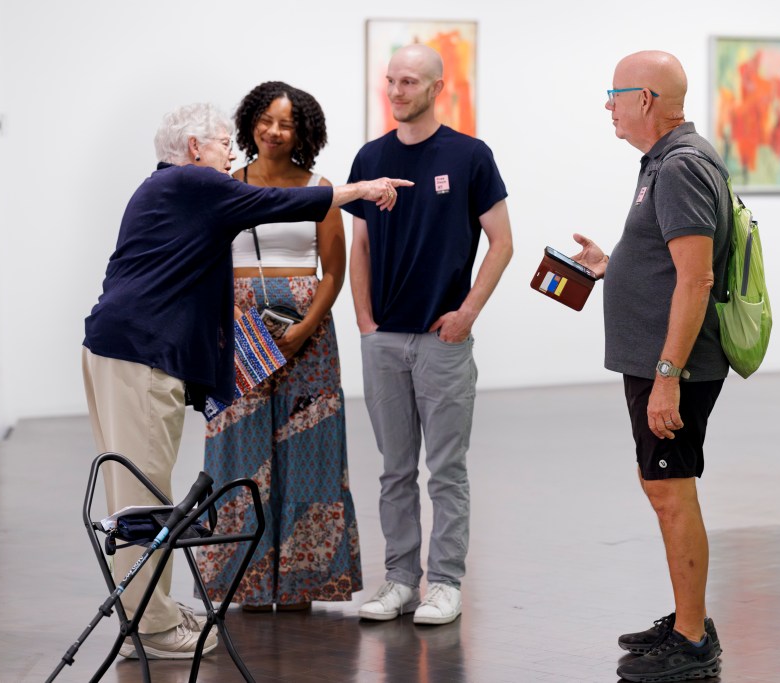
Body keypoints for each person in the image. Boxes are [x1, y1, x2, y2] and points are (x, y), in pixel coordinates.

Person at [82, 102, 409, 659]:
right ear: (192, 149)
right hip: (138, 356)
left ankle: (145, 613)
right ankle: (153, 630)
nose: (230, 154)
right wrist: (360, 190)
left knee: (137, 492)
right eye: (221, 145)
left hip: (122, 349)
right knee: (141, 500)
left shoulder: (162, 190)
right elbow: (275, 201)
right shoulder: (191, 182)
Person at [570, 51, 728, 682]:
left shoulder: (681, 166)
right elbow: (670, 263)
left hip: (675, 366)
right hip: (660, 360)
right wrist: (617, 265)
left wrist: (668, 376)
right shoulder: (665, 162)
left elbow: (696, 279)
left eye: (614, 93)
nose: (608, 104)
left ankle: (693, 640)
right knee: (663, 486)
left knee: (670, 490)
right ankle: (689, 617)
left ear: (646, 98)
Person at [343, 44, 513, 626]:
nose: (395, 91)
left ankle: (443, 583)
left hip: (444, 341)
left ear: (437, 87)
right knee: (394, 469)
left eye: (408, 82)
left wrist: (467, 313)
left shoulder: (469, 157)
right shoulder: (370, 156)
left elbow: (503, 242)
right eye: (390, 80)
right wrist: (365, 323)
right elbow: (359, 247)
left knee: (446, 470)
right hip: (384, 340)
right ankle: (398, 580)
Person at [195, 82, 361, 612]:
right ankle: (240, 580)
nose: (274, 131)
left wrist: (307, 324)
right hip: (237, 331)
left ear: (303, 132)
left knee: (309, 453)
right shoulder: (223, 184)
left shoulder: (320, 187)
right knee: (235, 454)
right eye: (266, 119)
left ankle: (301, 584)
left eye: (286, 123)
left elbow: (332, 271)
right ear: (250, 123)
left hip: (306, 335)